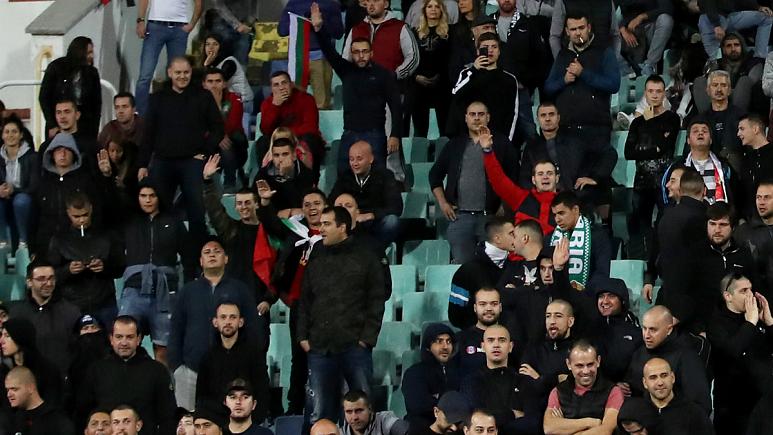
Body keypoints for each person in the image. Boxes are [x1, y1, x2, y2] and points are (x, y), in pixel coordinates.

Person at [298, 206, 386, 423]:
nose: (321, 229)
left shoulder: (366, 256)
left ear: (342, 227)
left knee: (362, 412)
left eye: (326, 224)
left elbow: (376, 300)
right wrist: (302, 336)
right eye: (320, 224)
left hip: (355, 347)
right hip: (319, 348)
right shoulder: (316, 255)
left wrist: (366, 339)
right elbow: (305, 299)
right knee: (318, 413)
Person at [138, 56, 224, 251]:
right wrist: (142, 164)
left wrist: (205, 152)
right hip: (163, 162)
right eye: (178, 72)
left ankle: (197, 258)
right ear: (170, 73)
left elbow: (218, 128)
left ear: (191, 72)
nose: (182, 76)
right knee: (160, 211)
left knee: (197, 211)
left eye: (186, 72)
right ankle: (161, 254)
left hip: (192, 162)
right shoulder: (157, 99)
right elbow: (148, 133)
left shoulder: (203, 96)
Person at [255, 185, 327, 415]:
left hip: (326, 307)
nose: (312, 208)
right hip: (299, 306)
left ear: (326, 207)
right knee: (299, 358)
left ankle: (325, 407)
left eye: (316, 203)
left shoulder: (333, 237)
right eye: (307, 204)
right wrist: (265, 203)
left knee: (324, 357)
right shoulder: (296, 232)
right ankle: (295, 407)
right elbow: (271, 224)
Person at [545, 12, 620, 222]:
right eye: (573, 29)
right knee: (572, 185)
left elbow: (614, 84)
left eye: (581, 28)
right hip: (568, 131)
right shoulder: (563, 56)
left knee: (597, 185)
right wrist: (563, 80)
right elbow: (548, 87)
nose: (577, 32)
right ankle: (572, 225)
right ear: (566, 32)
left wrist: (583, 73)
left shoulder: (604, 52)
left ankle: (600, 228)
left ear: (589, 28)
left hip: (597, 130)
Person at [169, 238, 259, 411]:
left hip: (233, 371)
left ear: (226, 258)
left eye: (217, 251)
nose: (212, 255)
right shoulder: (188, 291)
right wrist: (178, 367)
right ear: (201, 260)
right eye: (207, 252)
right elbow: (176, 329)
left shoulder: (240, 290)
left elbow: (253, 328)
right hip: (190, 371)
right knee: (188, 420)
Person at [311, 4, 402, 174]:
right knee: (344, 176)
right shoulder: (346, 70)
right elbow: (329, 52)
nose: (361, 56)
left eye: (365, 51)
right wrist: (318, 29)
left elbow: (396, 106)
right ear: (351, 54)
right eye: (356, 52)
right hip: (349, 133)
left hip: (375, 134)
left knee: (376, 178)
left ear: (371, 53)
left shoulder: (384, 75)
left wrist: (395, 135)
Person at [430, 101, 520, 263]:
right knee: (465, 268)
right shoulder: (454, 145)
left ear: (488, 117)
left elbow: (514, 177)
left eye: (481, 114)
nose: (477, 118)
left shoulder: (502, 143)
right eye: (472, 114)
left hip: (492, 218)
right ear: (466, 118)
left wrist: (504, 205)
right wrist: (443, 203)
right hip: (460, 219)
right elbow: (434, 176)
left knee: (494, 266)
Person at [119, 182, 195, 366]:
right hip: (134, 289)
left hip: (166, 290)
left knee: (163, 349)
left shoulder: (174, 222)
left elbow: (189, 256)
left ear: (159, 197)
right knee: (125, 343)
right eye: (143, 196)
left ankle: (163, 383)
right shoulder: (129, 221)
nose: (148, 200)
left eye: (152, 196)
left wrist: (188, 286)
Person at [203, 156, 273, 349]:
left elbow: (278, 268)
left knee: (258, 355)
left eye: (248, 202)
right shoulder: (231, 230)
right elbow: (214, 210)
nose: (243, 207)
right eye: (239, 203)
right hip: (231, 304)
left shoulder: (269, 232)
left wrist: (269, 299)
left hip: (258, 304)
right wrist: (208, 182)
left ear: (256, 204)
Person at [77, 316, 176, 434]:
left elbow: (168, 416)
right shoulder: (96, 370)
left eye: (129, 337)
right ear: (111, 339)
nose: (124, 343)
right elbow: (83, 413)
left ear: (138, 339)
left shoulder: (157, 371)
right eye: (119, 337)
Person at [707, 273, 773, 434]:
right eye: (743, 291)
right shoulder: (716, 324)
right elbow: (732, 352)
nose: (750, 295)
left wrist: (770, 323)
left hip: (764, 403)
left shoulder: (757, 318)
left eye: (750, 289)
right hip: (733, 408)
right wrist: (750, 323)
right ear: (728, 296)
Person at [48, 192, 122, 327]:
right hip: (72, 305)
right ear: (68, 213)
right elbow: (51, 275)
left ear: (91, 209)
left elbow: (120, 267)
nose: (82, 220)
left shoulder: (107, 235)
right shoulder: (59, 240)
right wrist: (68, 270)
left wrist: (104, 267)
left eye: (85, 215)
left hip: (104, 303)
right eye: (76, 216)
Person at [35, 132, 114, 256]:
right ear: (51, 154)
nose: (63, 154)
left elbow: (102, 207)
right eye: (58, 150)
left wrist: (106, 176)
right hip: (48, 245)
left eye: (67, 149)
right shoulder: (44, 183)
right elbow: (36, 217)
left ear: (75, 153)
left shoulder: (85, 180)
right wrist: (34, 248)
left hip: (78, 245)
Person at [623, 305, 712, 415]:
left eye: (653, 330)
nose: (646, 335)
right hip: (643, 418)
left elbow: (701, 405)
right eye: (644, 328)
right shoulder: (639, 353)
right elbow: (632, 388)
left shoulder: (687, 357)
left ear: (669, 329)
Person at [624, 75, 681, 241]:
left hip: (664, 182)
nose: (654, 95)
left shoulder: (672, 118)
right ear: (645, 94)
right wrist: (654, 149)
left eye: (658, 91)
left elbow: (664, 147)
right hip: (641, 182)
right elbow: (629, 153)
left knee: (666, 226)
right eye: (651, 91)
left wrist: (650, 124)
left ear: (664, 94)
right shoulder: (637, 123)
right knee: (638, 228)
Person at [447, 33, 531, 143]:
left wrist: (506, 141)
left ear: (499, 51)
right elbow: (456, 94)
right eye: (485, 47)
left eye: (494, 47)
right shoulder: (467, 73)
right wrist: (473, 70)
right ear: (478, 51)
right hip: (468, 138)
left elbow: (512, 114)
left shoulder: (509, 79)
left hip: (498, 138)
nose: (490, 50)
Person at [654, 169, 711, 330]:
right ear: (704, 191)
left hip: (669, 296)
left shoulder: (666, 217)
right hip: (692, 305)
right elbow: (696, 266)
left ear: (681, 190)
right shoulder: (700, 218)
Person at [195, 302, 269, 421]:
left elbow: (262, 391)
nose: (228, 322)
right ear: (215, 322)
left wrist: (254, 422)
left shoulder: (254, 355)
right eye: (223, 317)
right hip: (216, 424)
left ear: (241, 322)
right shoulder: (207, 358)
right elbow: (201, 397)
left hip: (247, 423)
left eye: (233, 317)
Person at [462, 324, 540, 434]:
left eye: (502, 340)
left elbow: (533, 424)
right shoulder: (471, 382)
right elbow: (476, 422)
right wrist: (512, 414)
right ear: (483, 347)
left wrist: (496, 421)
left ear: (510, 346)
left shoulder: (524, 381)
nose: (496, 345)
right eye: (491, 340)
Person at [519, 102, 605, 201]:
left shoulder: (577, 139)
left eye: (551, 114)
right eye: (543, 115)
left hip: (579, 199)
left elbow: (608, 152)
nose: (547, 119)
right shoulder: (531, 147)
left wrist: (596, 177)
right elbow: (524, 179)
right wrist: (539, 197)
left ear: (558, 117)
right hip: (545, 202)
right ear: (537, 120)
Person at [9, 259, 81, 374]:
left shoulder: (71, 312)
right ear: (29, 282)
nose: (48, 283)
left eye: (51, 278)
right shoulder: (17, 313)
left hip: (61, 378)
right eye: (41, 279)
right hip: (29, 378)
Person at [134, 0, 203, 115]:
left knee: (177, 76)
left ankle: (173, 114)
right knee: (145, 75)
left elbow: (199, 3)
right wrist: (140, 20)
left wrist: (192, 24)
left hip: (179, 28)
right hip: (155, 25)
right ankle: (141, 116)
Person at [329, 140, 403, 247]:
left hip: (376, 221)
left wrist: (371, 215)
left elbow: (396, 207)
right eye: (351, 159)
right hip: (353, 224)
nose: (355, 163)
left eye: (359, 159)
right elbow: (331, 202)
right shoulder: (345, 177)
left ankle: (376, 251)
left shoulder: (385, 175)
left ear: (371, 159)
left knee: (392, 221)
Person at [446, 217, 516, 328]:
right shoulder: (467, 270)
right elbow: (456, 315)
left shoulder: (514, 266)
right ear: (497, 239)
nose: (516, 237)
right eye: (511, 233)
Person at [542, 341, 622, 435]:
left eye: (590, 364)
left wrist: (564, 427)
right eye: (579, 366)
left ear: (598, 361)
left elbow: (605, 431)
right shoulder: (558, 391)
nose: (586, 371)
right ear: (568, 364)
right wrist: (591, 422)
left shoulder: (613, 391)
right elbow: (549, 427)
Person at [279, 0, 345, 109]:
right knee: (295, 103)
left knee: (322, 104)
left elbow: (338, 33)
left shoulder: (330, 4)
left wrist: (321, 22)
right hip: (298, 59)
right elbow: (282, 31)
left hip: (321, 58)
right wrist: (302, 19)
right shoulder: (294, 4)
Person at [258, 71, 324, 174]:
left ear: (291, 84)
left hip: (301, 138)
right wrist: (275, 106)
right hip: (279, 140)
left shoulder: (306, 99)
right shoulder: (267, 103)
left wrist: (286, 135)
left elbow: (311, 127)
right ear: (272, 89)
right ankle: (268, 177)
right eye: (276, 85)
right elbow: (265, 130)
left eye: (284, 83)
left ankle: (309, 178)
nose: (281, 88)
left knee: (311, 139)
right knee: (262, 142)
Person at [39, 36, 101, 139]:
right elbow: (44, 97)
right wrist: (52, 124)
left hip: (85, 128)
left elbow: (96, 104)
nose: (91, 56)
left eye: (91, 52)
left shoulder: (92, 73)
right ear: (79, 52)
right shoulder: (56, 68)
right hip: (59, 126)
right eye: (88, 53)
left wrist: (94, 130)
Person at [548, 191, 612, 290]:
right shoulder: (551, 237)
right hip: (558, 292)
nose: (557, 219)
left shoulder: (598, 236)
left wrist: (582, 293)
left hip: (589, 293)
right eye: (555, 215)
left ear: (575, 210)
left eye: (561, 213)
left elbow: (602, 272)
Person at [341, 0, 420, 80]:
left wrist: (395, 75)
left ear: (386, 4)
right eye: (368, 1)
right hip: (360, 84)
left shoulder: (400, 28)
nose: (371, 4)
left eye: (376, 0)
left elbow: (413, 58)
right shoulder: (356, 29)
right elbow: (346, 60)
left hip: (390, 85)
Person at [519, 299, 576, 409]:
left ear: (570, 321)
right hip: (536, 409)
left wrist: (539, 379)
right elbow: (525, 385)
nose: (552, 321)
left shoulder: (578, 350)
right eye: (548, 316)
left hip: (568, 410)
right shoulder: (533, 349)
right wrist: (555, 379)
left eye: (558, 316)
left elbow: (574, 385)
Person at [402, 323, 461, 429]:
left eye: (449, 342)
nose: (445, 347)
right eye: (439, 341)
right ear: (428, 347)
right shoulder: (414, 373)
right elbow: (417, 405)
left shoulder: (457, 373)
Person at [637, 358, 715, 434]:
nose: (660, 383)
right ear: (645, 383)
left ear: (672, 378)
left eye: (664, 375)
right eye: (653, 378)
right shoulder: (637, 413)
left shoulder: (695, 414)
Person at [410, 0, 452, 137]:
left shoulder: (450, 32)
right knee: (420, 131)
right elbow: (408, 58)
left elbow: (451, 59)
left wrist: (441, 76)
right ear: (424, 10)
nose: (433, 9)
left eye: (437, 6)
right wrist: (416, 76)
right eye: (429, 6)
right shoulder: (414, 32)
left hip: (442, 85)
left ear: (441, 10)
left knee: (445, 130)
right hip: (418, 84)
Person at [589, 277, 643, 383]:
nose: (605, 301)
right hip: (596, 387)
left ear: (623, 300)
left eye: (611, 296)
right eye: (601, 296)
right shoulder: (589, 329)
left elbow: (639, 365)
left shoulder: (636, 332)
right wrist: (610, 386)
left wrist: (628, 384)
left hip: (628, 389)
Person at [201, 67, 248, 191]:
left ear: (224, 84)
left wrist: (217, 106)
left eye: (218, 81)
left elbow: (233, 125)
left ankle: (229, 185)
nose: (214, 85)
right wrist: (217, 136)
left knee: (227, 146)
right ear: (204, 84)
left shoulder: (234, 100)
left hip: (235, 145)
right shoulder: (197, 102)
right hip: (209, 143)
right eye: (210, 81)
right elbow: (198, 127)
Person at [0, 317, 64, 406]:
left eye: (7, 336)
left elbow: (53, 404)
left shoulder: (47, 370)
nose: (1, 341)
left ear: (21, 337)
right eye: (1, 335)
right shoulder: (4, 371)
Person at [694, 33, 764, 112]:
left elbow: (750, 86)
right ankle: (707, 116)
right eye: (729, 46)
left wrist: (726, 91)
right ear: (723, 50)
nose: (733, 49)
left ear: (742, 47)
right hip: (716, 101)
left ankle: (736, 116)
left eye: (736, 45)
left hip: (742, 104)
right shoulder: (718, 64)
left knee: (744, 81)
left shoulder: (753, 62)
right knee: (699, 81)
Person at [699, 202, 757, 297]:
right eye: (712, 224)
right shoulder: (695, 254)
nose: (717, 230)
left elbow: (754, 288)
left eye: (723, 224)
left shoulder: (744, 254)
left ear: (733, 227)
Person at [0, 114, 39, 249]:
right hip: (3, 198)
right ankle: (3, 242)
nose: (10, 135)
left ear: (21, 135)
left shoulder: (32, 156)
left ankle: (23, 242)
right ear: (2, 135)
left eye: (14, 131)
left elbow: (34, 187)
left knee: (20, 200)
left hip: (24, 198)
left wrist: (13, 190)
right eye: (7, 132)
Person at [697, 70, 745, 172]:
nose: (719, 89)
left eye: (723, 85)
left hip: (737, 171)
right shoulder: (700, 120)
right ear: (708, 90)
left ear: (729, 90)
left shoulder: (742, 117)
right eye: (715, 85)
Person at [254, 135, 315, 215]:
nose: (280, 159)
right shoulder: (263, 174)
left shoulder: (306, 174)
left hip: (297, 217)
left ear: (294, 155)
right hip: (271, 217)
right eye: (276, 155)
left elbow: (301, 203)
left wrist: (287, 177)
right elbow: (255, 202)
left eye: (285, 154)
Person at [5, 366, 75, 435]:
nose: (9, 395)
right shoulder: (15, 420)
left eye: (14, 389)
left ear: (30, 388)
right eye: (7, 390)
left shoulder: (57, 421)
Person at [454, 288, 510, 375]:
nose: (488, 308)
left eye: (494, 304)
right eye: (483, 304)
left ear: (500, 307)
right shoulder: (460, 339)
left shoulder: (510, 338)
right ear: (475, 308)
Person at [697, 0, 772, 60]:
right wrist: (716, 25)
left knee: (766, 18)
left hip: (730, 16)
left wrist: (758, 7)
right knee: (716, 58)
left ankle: (759, 58)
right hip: (710, 20)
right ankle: (720, 68)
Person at [735, 180, 773, 296]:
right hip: (757, 296)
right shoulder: (742, 232)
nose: (761, 202)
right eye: (758, 197)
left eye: (767, 198)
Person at [618, 0, 674, 76]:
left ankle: (649, 65)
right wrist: (622, 29)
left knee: (666, 20)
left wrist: (642, 17)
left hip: (653, 29)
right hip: (631, 32)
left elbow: (668, 8)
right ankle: (627, 72)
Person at [737, 114, 773, 218]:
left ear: (755, 129)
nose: (738, 134)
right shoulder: (745, 160)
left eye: (742, 129)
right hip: (752, 220)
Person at [341, 390, 410, 435]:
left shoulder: (383, 420)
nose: (354, 417)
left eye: (359, 411)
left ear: (370, 409)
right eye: (349, 412)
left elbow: (407, 430)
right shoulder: (340, 431)